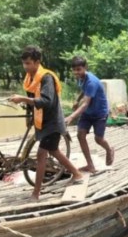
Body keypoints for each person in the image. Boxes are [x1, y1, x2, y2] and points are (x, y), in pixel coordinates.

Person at [9, 45, 83, 202]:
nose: (25, 67)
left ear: (37, 62)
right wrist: (28, 114)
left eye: (28, 63)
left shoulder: (46, 77)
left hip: (53, 121)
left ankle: (36, 194)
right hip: (42, 120)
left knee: (42, 154)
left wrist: (22, 98)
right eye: (24, 63)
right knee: (54, 151)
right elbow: (32, 103)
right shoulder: (29, 78)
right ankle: (76, 174)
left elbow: (46, 101)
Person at [64, 56, 115, 174]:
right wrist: (77, 99)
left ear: (85, 68)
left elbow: (86, 104)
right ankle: (90, 165)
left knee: (98, 139)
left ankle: (109, 149)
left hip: (99, 112)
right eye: (75, 70)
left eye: (79, 69)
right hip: (88, 113)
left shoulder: (92, 81)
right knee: (80, 135)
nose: (76, 72)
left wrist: (72, 116)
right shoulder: (81, 78)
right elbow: (84, 89)